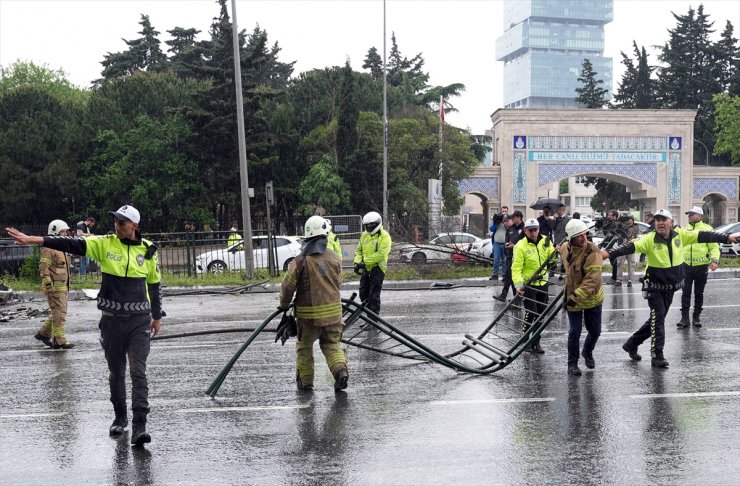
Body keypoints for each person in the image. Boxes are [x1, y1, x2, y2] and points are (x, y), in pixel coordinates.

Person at [6, 204, 164, 446]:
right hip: (111, 321)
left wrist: (156, 315)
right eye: (115, 221)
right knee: (116, 373)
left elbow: (154, 284)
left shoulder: (149, 251)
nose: (117, 226)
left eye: (122, 223)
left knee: (138, 372)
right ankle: (120, 418)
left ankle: (140, 426)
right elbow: (70, 244)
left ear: (135, 226)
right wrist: (35, 240)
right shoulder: (105, 244)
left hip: (139, 321)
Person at [601, 208, 738, 368]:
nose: (660, 223)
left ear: (670, 223)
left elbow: (705, 236)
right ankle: (657, 355)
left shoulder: (681, 236)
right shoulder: (649, 239)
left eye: (663, 220)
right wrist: (606, 254)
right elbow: (629, 247)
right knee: (658, 319)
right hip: (654, 287)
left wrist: (727, 237)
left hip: (671, 286)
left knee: (656, 320)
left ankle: (632, 343)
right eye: (657, 220)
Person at [279, 216, 348, 392]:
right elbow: (338, 281)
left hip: (308, 319)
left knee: (304, 348)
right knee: (331, 345)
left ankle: (306, 382)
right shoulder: (335, 258)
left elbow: (288, 287)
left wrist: (284, 305)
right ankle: (340, 371)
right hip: (334, 316)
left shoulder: (299, 261)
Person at [559, 219, 604, 376]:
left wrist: (576, 296)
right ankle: (572, 364)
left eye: (585, 234)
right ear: (571, 239)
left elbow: (592, 279)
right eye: (579, 236)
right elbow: (561, 257)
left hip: (591, 298)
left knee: (595, 331)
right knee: (574, 331)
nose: (584, 238)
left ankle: (587, 351)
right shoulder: (565, 248)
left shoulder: (593, 253)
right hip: (572, 295)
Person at [512, 218, 555, 353]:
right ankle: (526, 339)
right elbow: (516, 268)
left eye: (535, 229)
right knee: (532, 312)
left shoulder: (546, 241)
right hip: (529, 284)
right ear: (525, 231)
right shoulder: (520, 246)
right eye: (530, 230)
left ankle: (537, 341)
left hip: (543, 282)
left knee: (541, 314)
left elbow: (553, 260)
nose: (533, 232)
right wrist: (519, 286)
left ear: (539, 229)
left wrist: (556, 252)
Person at [677, 206, 720, 328]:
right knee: (685, 292)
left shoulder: (707, 229)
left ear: (700, 216)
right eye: (689, 214)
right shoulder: (684, 229)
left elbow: (714, 247)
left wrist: (714, 260)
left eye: (692, 214)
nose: (689, 216)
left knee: (699, 293)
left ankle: (696, 317)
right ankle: (684, 318)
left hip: (701, 266)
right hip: (685, 266)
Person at [34, 220, 74, 349]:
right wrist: (48, 285)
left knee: (58, 312)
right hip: (55, 287)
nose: (65, 234)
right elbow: (43, 268)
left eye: (65, 231)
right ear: (55, 231)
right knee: (60, 313)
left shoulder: (62, 247)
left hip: (63, 286)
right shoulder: (49, 248)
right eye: (62, 231)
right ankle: (59, 340)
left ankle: (44, 334)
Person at [354, 211, 392, 316]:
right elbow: (359, 250)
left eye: (371, 225)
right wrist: (357, 262)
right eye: (367, 225)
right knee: (363, 293)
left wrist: (365, 263)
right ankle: (368, 317)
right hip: (366, 268)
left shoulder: (385, 237)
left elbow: (381, 254)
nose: (369, 227)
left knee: (374, 295)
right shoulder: (364, 235)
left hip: (378, 268)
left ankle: (373, 319)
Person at [495, 210, 524, 302]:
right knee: (508, 277)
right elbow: (507, 240)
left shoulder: (524, 229)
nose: (512, 219)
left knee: (514, 278)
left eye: (513, 217)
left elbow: (525, 245)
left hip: (518, 257)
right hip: (509, 256)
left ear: (519, 217)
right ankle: (505, 295)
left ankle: (517, 298)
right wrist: (506, 247)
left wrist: (514, 246)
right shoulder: (511, 229)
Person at [602, 210, 626, 285]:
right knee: (613, 263)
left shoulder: (618, 224)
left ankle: (615, 278)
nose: (608, 217)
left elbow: (618, 234)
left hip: (616, 246)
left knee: (616, 262)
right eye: (608, 215)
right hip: (609, 246)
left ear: (615, 216)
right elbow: (606, 233)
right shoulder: (608, 223)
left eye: (610, 215)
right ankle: (615, 278)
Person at [489, 206, 508, 280]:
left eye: (505, 211)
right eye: (503, 211)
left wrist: (505, 222)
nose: (504, 213)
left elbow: (509, 228)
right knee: (496, 259)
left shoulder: (508, 220)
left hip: (505, 243)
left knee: (505, 260)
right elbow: (491, 229)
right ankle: (495, 275)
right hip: (496, 243)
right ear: (501, 211)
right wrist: (496, 222)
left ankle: (504, 275)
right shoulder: (497, 218)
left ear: (507, 211)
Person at [622, 215, 638, 287]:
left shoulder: (635, 227)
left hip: (631, 247)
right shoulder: (623, 227)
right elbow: (620, 234)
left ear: (632, 220)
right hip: (622, 247)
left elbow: (635, 237)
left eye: (630, 220)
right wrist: (623, 239)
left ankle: (630, 280)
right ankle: (619, 280)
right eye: (628, 220)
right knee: (620, 263)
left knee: (631, 264)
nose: (629, 221)